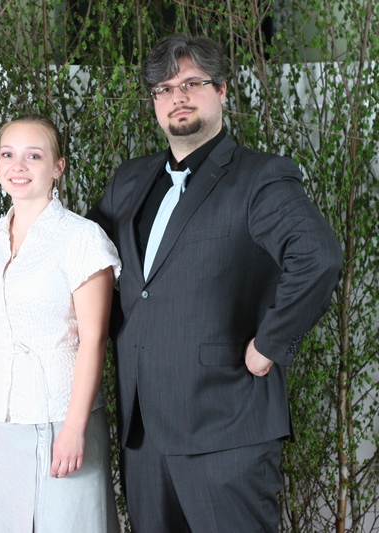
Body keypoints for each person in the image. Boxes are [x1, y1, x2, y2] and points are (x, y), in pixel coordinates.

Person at [87, 34, 343, 532]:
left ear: (222, 90)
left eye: (191, 83)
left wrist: (269, 344)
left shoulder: (261, 176)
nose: (177, 97)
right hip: (144, 436)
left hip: (227, 431)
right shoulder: (129, 181)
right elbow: (83, 263)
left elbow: (318, 256)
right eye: (164, 89)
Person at [0, 115, 122, 532]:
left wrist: (74, 427)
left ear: (57, 167)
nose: (18, 166)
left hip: (59, 413)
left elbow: (94, 338)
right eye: (8, 154)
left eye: (33, 156)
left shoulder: (82, 238)